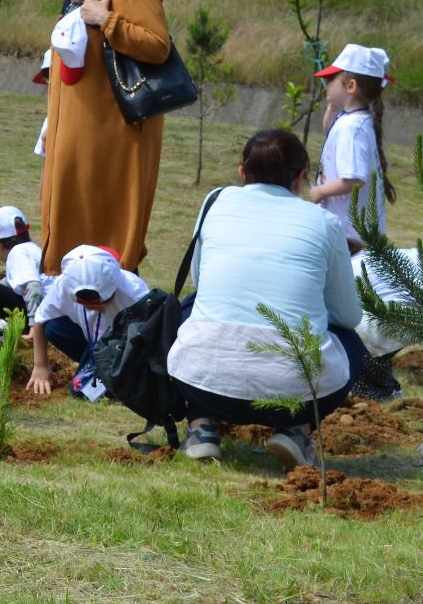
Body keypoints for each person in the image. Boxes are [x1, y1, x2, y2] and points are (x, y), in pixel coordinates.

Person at [169, 129, 365, 470]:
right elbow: (347, 316)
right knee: (351, 342)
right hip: (296, 397)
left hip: (203, 384)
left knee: (190, 308)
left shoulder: (216, 200)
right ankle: (297, 430)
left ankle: (202, 427)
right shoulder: (325, 223)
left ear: (242, 172)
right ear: (301, 178)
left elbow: (201, 282)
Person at [39, 0, 179, 275]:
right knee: (68, 210)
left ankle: (103, 300)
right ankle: (68, 300)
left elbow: (156, 45)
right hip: (78, 124)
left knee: (103, 219)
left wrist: (109, 20)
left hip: (114, 131)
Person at [24, 245, 149, 400]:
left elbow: (150, 335)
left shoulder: (134, 293)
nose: (97, 308)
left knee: (81, 393)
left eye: (103, 303)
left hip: (124, 348)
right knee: (53, 327)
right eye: (87, 305)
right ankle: (94, 365)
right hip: (92, 342)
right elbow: (40, 320)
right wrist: (40, 366)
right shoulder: (62, 287)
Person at [309, 43, 394, 250]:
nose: (325, 84)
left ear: (351, 86)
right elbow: (328, 127)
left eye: (330, 79)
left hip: (349, 238)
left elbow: (355, 179)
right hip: (352, 233)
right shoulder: (355, 119)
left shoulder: (351, 128)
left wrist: (319, 192)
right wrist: (333, 104)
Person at [0, 206, 45, 318]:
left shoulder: (17, 254)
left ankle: (26, 328)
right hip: (50, 309)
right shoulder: (31, 249)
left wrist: (35, 324)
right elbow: (10, 283)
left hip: (42, 317)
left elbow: (34, 286)